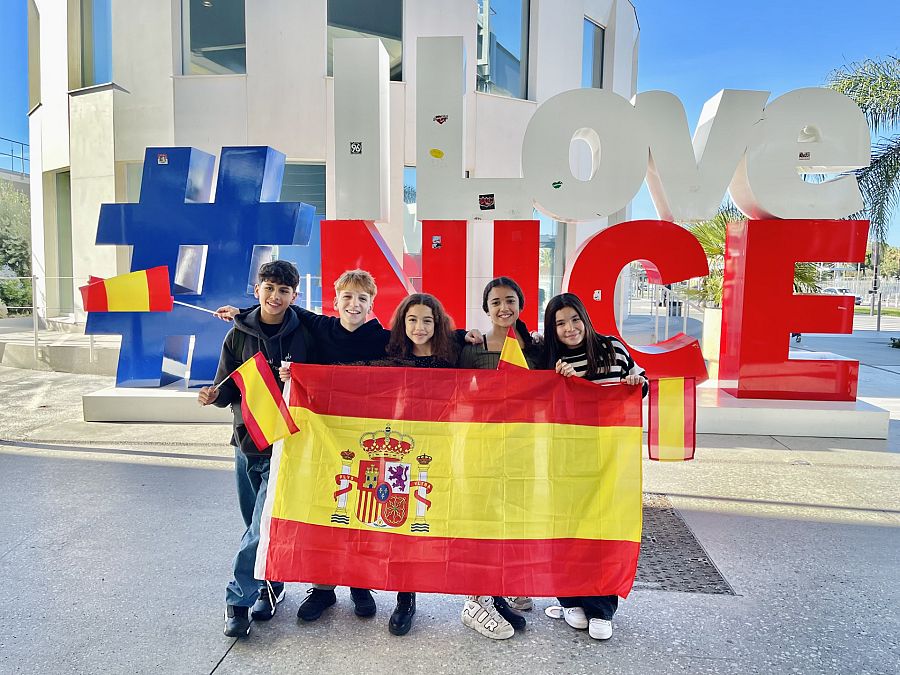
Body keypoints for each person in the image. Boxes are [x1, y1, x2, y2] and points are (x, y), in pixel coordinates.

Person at [217, 269, 387, 622]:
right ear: (335, 301)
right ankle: (314, 586)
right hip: (296, 438)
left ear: (372, 304)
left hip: (355, 441)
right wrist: (242, 313)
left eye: (362, 298)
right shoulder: (319, 328)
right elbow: (275, 308)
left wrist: (466, 337)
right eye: (347, 297)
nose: (354, 304)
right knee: (311, 517)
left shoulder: (382, 339)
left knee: (358, 514)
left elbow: (421, 344)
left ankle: (359, 583)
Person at [198, 260, 315, 638]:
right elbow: (227, 387)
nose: (275, 296)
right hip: (246, 442)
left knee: (262, 526)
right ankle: (269, 583)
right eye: (269, 288)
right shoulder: (237, 336)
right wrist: (213, 396)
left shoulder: (306, 332)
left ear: (294, 295)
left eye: (284, 291)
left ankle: (237, 599)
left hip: (285, 446)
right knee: (255, 525)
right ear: (257, 290)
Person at [540, 292, 648, 641]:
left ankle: (602, 607)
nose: (569, 328)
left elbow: (640, 383)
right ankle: (570, 599)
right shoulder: (550, 360)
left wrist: (635, 384)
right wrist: (560, 382)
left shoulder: (612, 349)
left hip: (607, 460)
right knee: (566, 529)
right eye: (560, 323)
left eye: (575, 320)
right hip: (565, 461)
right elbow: (538, 405)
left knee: (603, 531)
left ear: (585, 319)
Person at [366, 293, 460, 636]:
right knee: (403, 522)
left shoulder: (455, 356)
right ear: (402, 323)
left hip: (444, 449)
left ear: (438, 325)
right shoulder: (393, 359)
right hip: (404, 455)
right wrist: (300, 374)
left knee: (443, 521)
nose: (419, 327)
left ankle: (481, 595)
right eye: (412, 320)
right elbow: (351, 374)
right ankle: (405, 597)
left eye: (427, 320)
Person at [457, 276, 540, 640]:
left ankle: (506, 584)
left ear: (520, 304)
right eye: (496, 302)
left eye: (510, 301)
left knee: (515, 512)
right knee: (483, 515)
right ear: (486, 309)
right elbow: (456, 391)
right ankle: (476, 597)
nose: (503, 308)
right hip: (483, 442)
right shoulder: (474, 347)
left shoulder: (535, 347)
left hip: (522, 443)